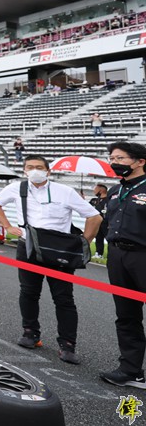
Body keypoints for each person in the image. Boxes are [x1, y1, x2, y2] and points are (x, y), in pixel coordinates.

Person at [0, 155, 102, 365]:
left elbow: (95, 217)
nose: (35, 170)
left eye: (39, 167)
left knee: (64, 298)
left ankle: (68, 344)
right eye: (30, 167)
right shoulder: (16, 188)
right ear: (24, 170)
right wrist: (7, 226)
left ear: (48, 171)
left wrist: (83, 244)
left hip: (59, 250)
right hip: (28, 246)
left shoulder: (65, 191)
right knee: (28, 292)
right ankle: (30, 332)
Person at [99, 141, 146, 388]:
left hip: (143, 256)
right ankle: (131, 370)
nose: (114, 162)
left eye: (120, 158)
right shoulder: (115, 190)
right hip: (117, 256)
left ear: (140, 162)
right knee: (126, 315)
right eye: (112, 158)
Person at [90, 182, 110, 259]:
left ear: (101, 190)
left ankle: (111, 255)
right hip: (97, 223)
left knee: (109, 240)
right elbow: (87, 206)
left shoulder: (109, 200)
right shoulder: (94, 200)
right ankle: (99, 253)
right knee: (98, 238)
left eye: (96, 189)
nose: (94, 190)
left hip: (106, 223)